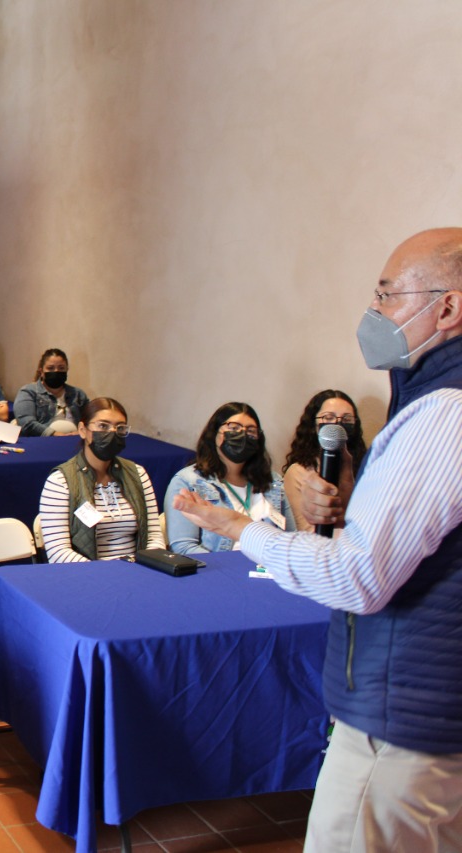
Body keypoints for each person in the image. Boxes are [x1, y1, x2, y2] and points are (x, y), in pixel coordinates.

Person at [170, 228, 462, 851]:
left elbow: (359, 577)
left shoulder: (444, 413)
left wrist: (240, 529)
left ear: (448, 308)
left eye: (386, 295)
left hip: (404, 719)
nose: (373, 313)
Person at [37, 398, 165, 563]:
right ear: (83, 430)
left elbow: (153, 535)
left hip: (137, 569)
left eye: (120, 428)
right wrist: (104, 573)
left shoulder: (138, 474)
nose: (112, 433)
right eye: (103, 426)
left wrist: (146, 566)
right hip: (87, 573)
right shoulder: (60, 481)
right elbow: (58, 552)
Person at [163, 402, 294, 554]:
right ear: (214, 433)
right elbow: (184, 547)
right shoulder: (187, 481)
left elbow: (291, 538)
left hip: (268, 566)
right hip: (218, 566)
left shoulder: (273, 481)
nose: (242, 435)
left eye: (251, 431)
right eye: (234, 428)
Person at [281, 390, 368, 533]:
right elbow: (307, 531)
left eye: (347, 419)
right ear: (313, 424)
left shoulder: (367, 468)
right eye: (328, 417)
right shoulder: (298, 472)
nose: (337, 424)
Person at [14, 348, 89, 436]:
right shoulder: (28, 392)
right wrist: (56, 434)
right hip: (44, 440)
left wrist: (80, 432)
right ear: (41, 372)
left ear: (67, 370)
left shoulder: (78, 394)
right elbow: (26, 423)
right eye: (50, 368)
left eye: (61, 368)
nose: (56, 371)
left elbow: (90, 419)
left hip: (75, 438)